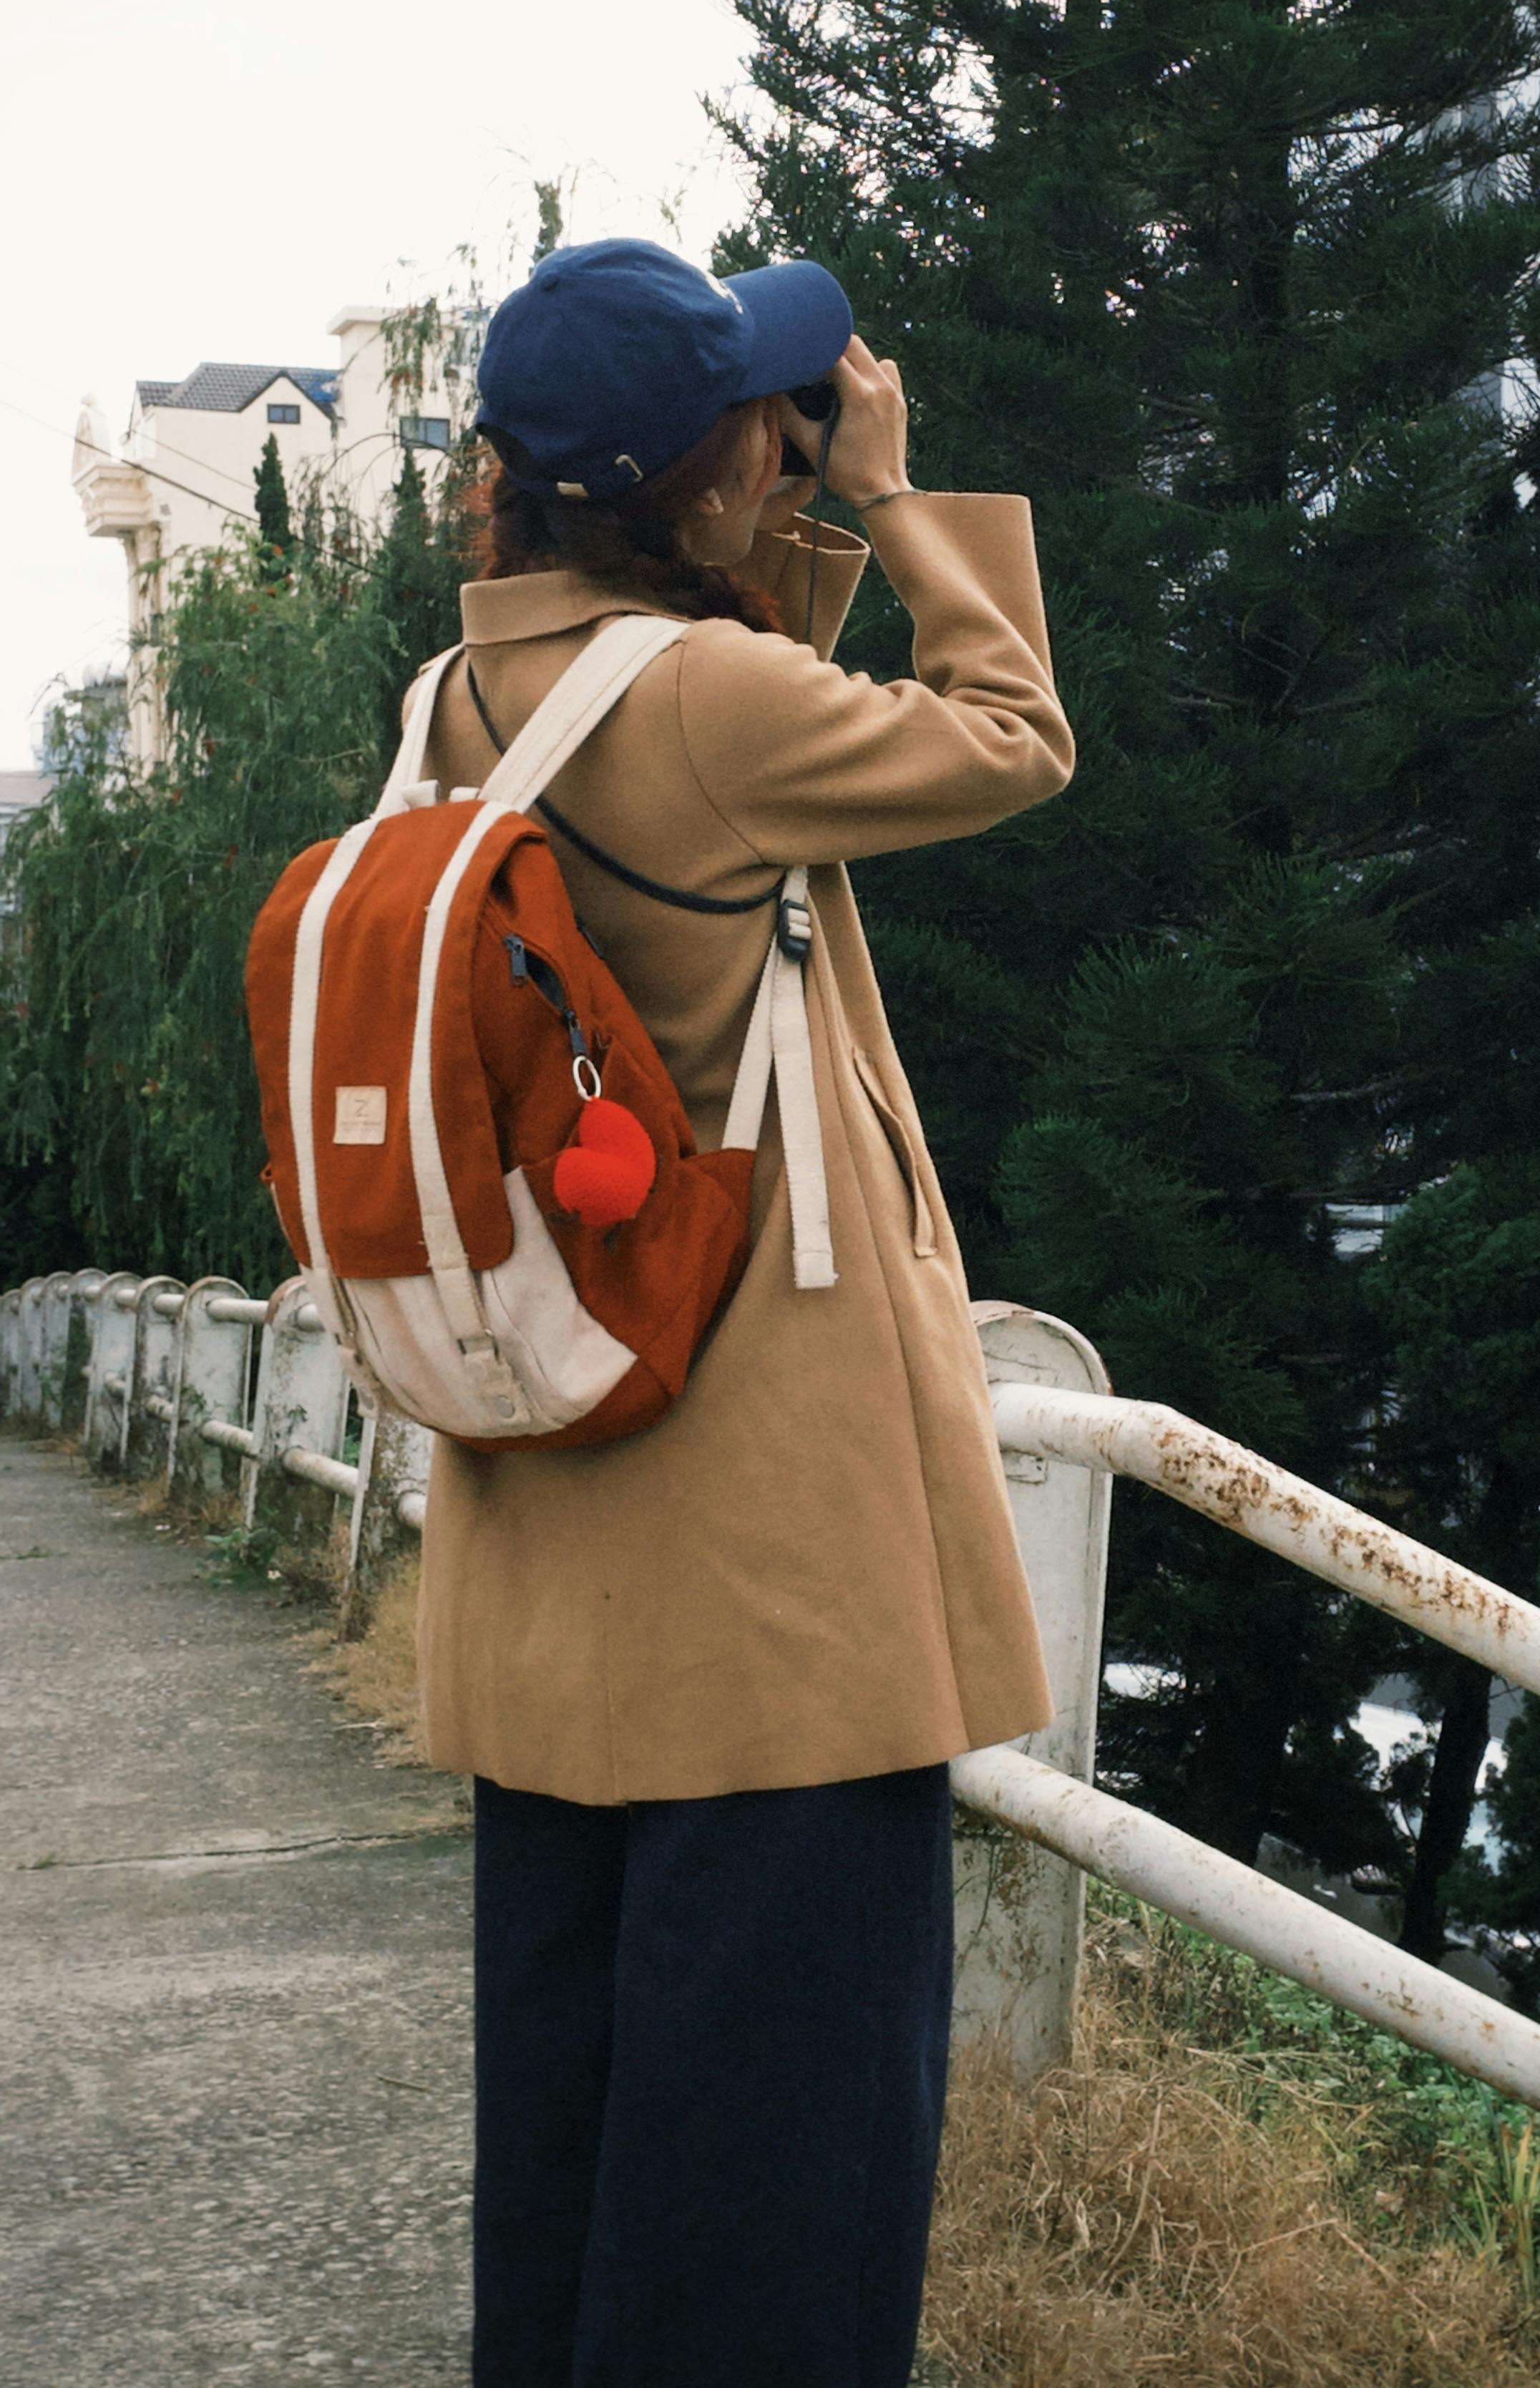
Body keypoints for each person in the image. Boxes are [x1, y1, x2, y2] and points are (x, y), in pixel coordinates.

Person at [401, 237, 1073, 2388]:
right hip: (770, 1577)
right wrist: (885, 497)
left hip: (560, 1541)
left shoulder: (456, 698)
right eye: (757, 419)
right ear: (703, 471)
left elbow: (699, 712)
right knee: (782, 2186)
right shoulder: (714, 704)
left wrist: (758, 532)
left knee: (589, 2158)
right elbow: (1011, 735)